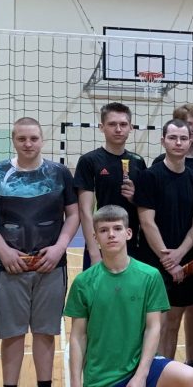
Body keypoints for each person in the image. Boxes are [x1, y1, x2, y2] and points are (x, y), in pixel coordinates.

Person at [66, 206, 193, 387]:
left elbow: (154, 328)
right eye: (104, 230)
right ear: (94, 237)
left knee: (192, 380)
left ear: (128, 233)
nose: (111, 234)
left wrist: (140, 376)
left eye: (117, 228)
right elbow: (77, 336)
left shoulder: (149, 276)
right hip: (102, 376)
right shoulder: (84, 282)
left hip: (139, 365)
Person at [0, 118, 80, 387]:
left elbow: (73, 214)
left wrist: (60, 247)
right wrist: (3, 249)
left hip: (51, 265)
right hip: (10, 266)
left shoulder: (59, 173)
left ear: (42, 139)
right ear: (13, 140)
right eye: (22, 138)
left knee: (45, 332)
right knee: (12, 334)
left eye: (33, 138)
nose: (28, 143)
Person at [133, 119, 193, 387]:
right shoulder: (150, 176)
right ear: (163, 140)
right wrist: (167, 257)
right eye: (173, 138)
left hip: (183, 263)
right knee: (158, 325)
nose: (179, 143)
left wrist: (179, 254)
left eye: (183, 138)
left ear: (190, 142)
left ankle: (165, 385)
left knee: (174, 322)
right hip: (155, 264)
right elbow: (146, 220)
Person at [154, 102, 193, 387]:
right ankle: (163, 370)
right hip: (169, 249)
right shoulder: (162, 162)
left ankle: (191, 362)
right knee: (169, 313)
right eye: (188, 124)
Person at [74, 102, 147, 268]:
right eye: (112, 124)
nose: (118, 129)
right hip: (101, 242)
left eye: (123, 124)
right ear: (102, 127)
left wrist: (135, 198)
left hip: (130, 243)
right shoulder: (89, 161)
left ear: (131, 128)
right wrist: (94, 253)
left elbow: (145, 206)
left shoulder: (138, 162)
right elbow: (85, 210)